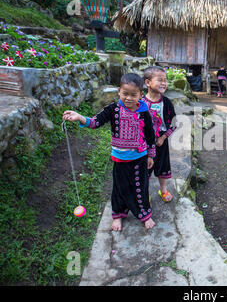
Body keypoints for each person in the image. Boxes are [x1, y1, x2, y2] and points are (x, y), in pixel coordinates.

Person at [62, 73, 157, 231]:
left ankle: (145, 215)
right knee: (119, 188)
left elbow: (150, 135)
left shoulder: (144, 112)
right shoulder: (113, 110)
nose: (128, 98)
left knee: (141, 186)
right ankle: (118, 215)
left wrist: (151, 155)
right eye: (125, 93)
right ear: (119, 91)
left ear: (141, 95)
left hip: (139, 158)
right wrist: (79, 117)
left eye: (133, 95)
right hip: (120, 159)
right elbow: (95, 122)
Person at [142, 66, 176, 203]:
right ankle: (146, 194)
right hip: (144, 143)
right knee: (145, 169)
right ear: (148, 83)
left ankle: (163, 190)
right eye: (160, 80)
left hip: (161, 141)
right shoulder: (141, 103)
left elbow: (174, 122)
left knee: (162, 167)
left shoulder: (166, 103)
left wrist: (163, 137)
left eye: (165, 80)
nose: (164, 83)